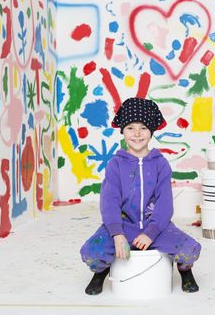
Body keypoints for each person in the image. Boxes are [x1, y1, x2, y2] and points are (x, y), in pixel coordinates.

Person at [80, 97, 201, 295]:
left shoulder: (160, 164)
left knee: (189, 249)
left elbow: (165, 204)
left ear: (151, 131)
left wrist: (151, 232)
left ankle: (185, 271)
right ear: (123, 131)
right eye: (130, 128)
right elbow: (109, 202)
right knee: (92, 252)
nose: (137, 134)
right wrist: (117, 234)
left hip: (157, 227)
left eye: (143, 128)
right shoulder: (115, 164)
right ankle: (101, 272)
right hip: (123, 226)